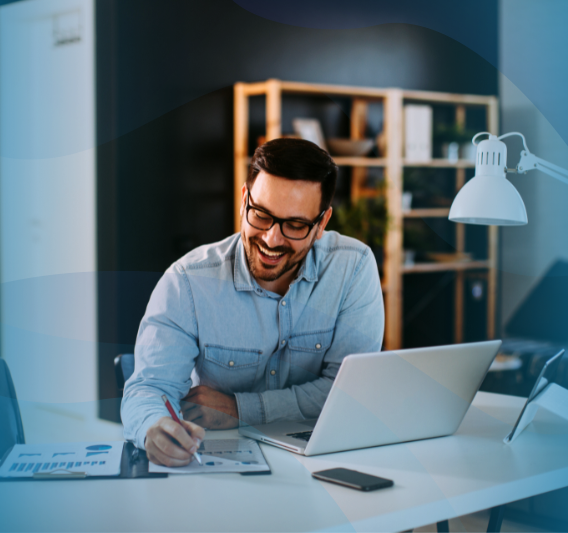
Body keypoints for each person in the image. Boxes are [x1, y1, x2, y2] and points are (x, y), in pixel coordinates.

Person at [121, 138, 385, 466]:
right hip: (219, 468)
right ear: (244, 199)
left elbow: (346, 393)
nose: (272, 239)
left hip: (324, 461)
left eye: (296, 225)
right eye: (261, 215)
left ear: (321, 224)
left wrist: (239, 410)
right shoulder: (188, 282)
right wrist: (153, 427)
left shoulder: (353, 267)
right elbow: (147, 390)